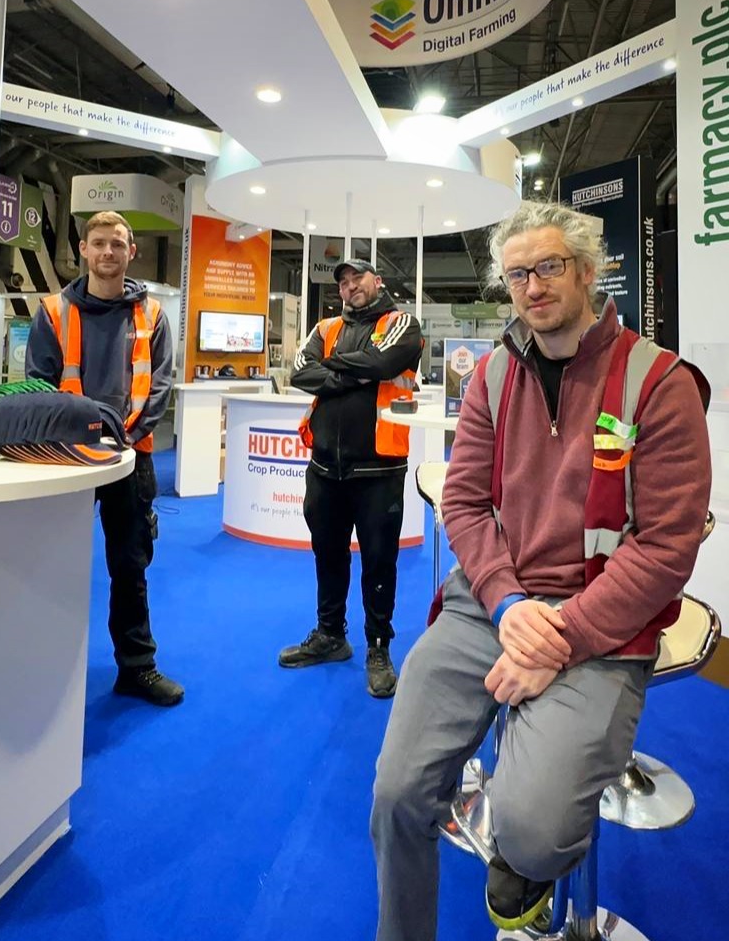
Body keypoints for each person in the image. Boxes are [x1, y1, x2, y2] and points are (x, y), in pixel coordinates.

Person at [370, 201, 711, 940]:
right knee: (397, 797)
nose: (532, 286)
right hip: (489, 605)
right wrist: (506, 604)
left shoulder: (660, 382)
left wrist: (561, 636)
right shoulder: (494, 374)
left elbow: (666, 546)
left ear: (586, 272)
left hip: (603, 622)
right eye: (517, 274)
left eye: (549, 267)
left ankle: (526, 865)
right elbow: (463, 503)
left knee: (531, 833)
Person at [25, 210, 182, 706]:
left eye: (117, 243)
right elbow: (39, 385)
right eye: (98, 243)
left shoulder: (152, 316)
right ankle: (45, 669)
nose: (108, 252)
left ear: (131, 252)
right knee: (51, 564)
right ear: (83, 250)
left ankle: (137, 667)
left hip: (130, 460)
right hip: (66, 459)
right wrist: (78, 440)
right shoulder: (53, 311)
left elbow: (160, 387)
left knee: (130, 568)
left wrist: (125, 439)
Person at [279, 259, 423, 698]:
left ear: (377, 280)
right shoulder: (325, 328)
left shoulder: (401, 323)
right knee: (328, 554)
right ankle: (330, 635)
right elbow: (300, 371)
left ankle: (378, 647)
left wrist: (333, 370)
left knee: (379, 561)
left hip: (379, 469)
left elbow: (383, 362)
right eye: (342, 281)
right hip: (324, 468)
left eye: (357, 277)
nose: (349, 286)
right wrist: (355, 373)